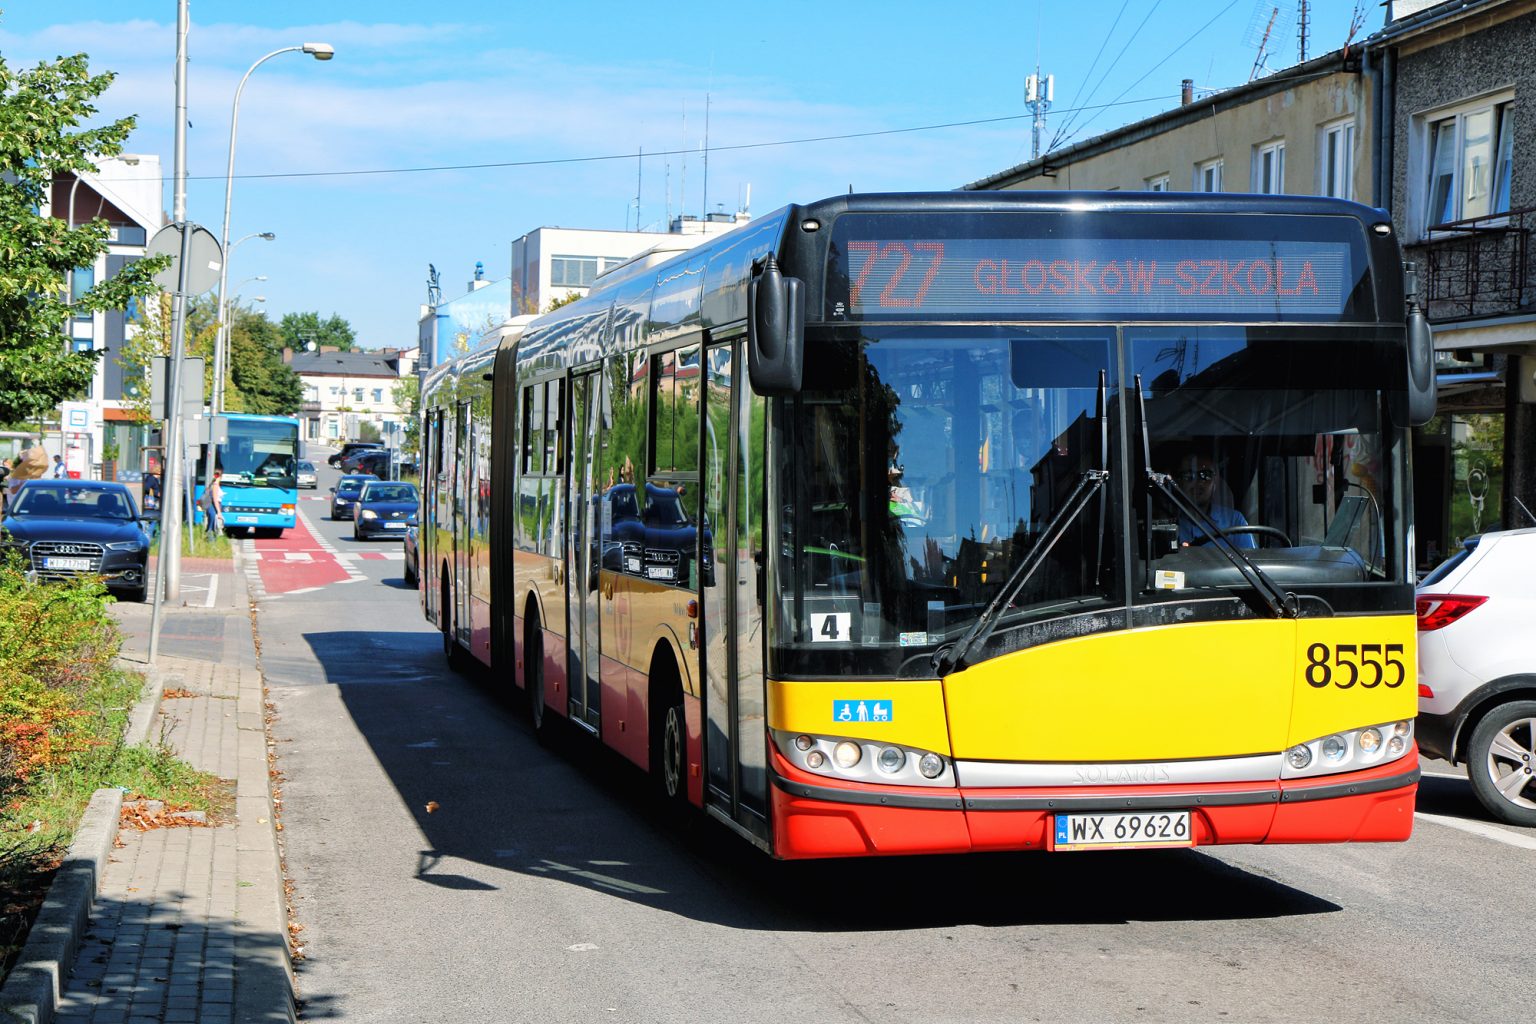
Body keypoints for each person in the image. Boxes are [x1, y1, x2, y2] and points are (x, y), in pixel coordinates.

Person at [1175, 452, 1257, 549]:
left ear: (1215, 481)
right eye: (1188, 475)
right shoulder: (1167, 523)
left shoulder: (1235, 520)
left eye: (1205, 475)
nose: (1197, 483)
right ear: (1178, 481)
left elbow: (1251, 561)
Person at [203, 470, 223, 537]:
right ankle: (211, 544)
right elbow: (215, 499)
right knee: (212, 527)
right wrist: (219, 512)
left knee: (213, 526)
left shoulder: (213, 484)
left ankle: (210, 544)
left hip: (212, 506)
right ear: (220, 477)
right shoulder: (215, 485)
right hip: (213, 507)